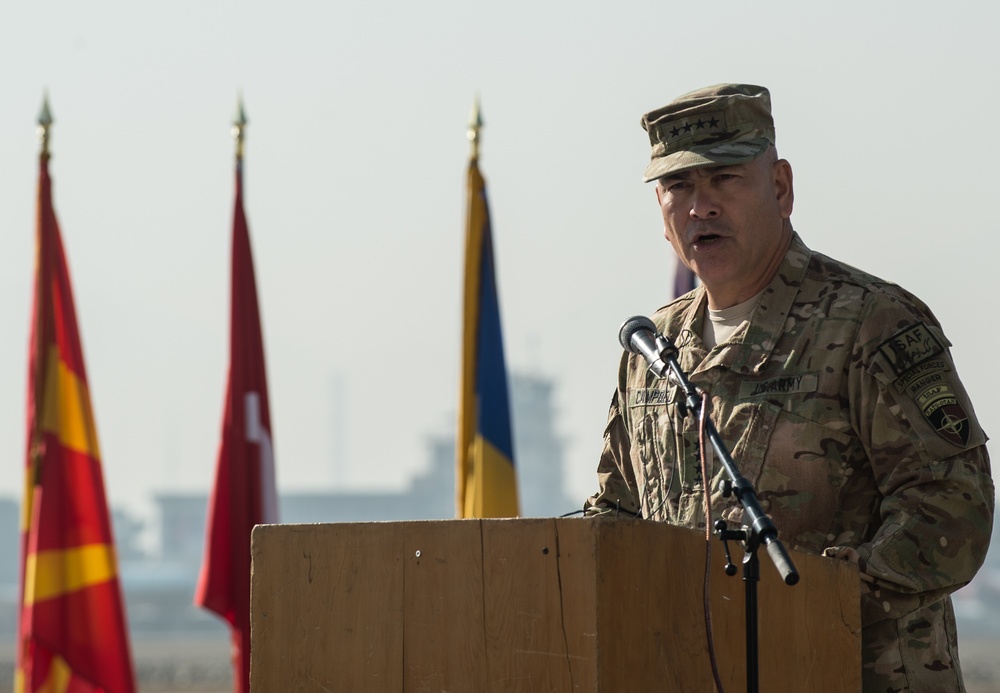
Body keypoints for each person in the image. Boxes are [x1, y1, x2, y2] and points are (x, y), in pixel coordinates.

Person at [583, 83, 995, 692]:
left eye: (723, 179)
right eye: (679, 187)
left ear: (780, 187)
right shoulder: (654, 349)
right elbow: (615, 518)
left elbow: (953, 511)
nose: (700, 207)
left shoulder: (869, 322)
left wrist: (813, 601)